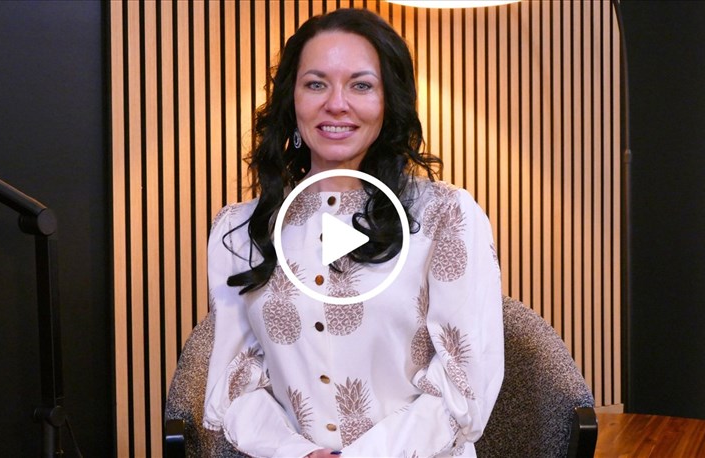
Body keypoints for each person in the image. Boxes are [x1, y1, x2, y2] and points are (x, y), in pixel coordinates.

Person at [202, 8, 503, 457]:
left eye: (361, 85)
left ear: (389, 102)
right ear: (292, 100)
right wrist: (295, 452)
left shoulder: (447, 217)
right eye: (316, 84)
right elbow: (235, 382)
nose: (336, 104)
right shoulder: (240, 230)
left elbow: (466, 383)